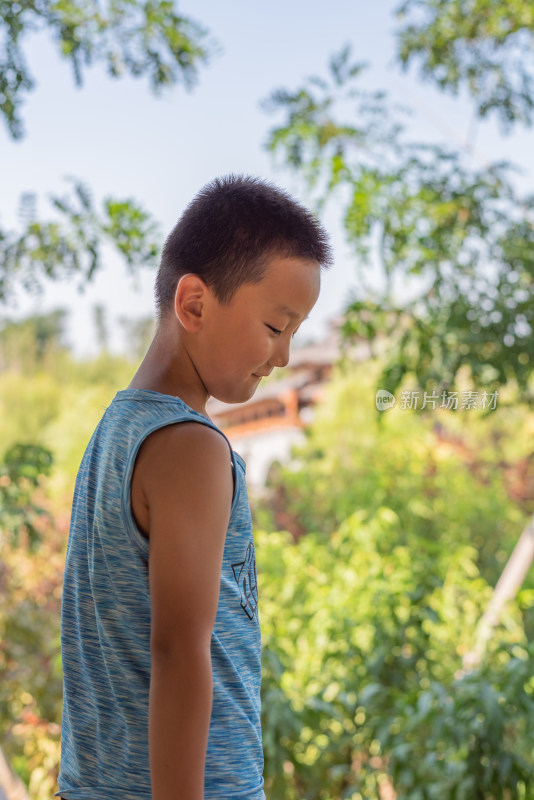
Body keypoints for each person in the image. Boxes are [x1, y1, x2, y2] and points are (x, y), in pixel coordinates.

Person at [55, 174, 333, 800]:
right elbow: (180, 652)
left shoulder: (114, 432)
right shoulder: (193, 449)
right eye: (274, 326)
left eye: (295, 332)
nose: (285, 356)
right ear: (195, 305)